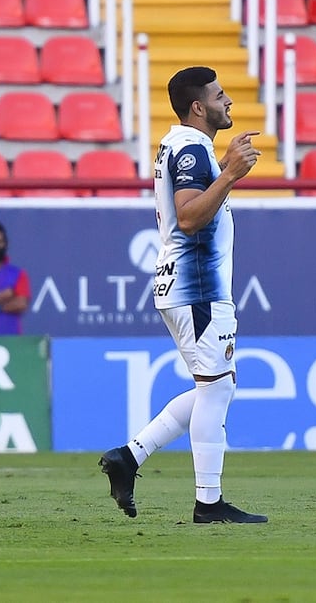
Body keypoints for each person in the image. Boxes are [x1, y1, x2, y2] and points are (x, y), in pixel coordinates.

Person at [98, 66, 268, 524]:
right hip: (198, 287)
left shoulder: (179, 144)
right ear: (198, 107)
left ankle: (128, 458)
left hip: (188, 287)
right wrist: (230, 173)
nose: (228, 101)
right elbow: (189, 216)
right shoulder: (192, 147)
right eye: (219, 95)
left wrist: (225, 172)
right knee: (216, 390)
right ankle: (207, 503)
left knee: (216, 387)